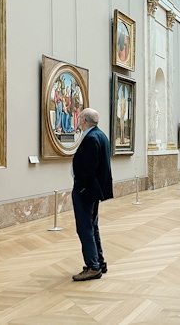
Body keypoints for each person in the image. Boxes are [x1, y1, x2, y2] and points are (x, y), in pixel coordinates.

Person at [71, 108, 114, 281]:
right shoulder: (100, 135)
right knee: (92, 225)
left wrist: (80, 187)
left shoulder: (91, 138)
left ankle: (92, 266)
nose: (78, 120)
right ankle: (99, 261)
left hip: (86, 191)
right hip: (94, 190)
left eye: (80, 117)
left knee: (85, 228)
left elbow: (88, 169)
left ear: (83, 120)